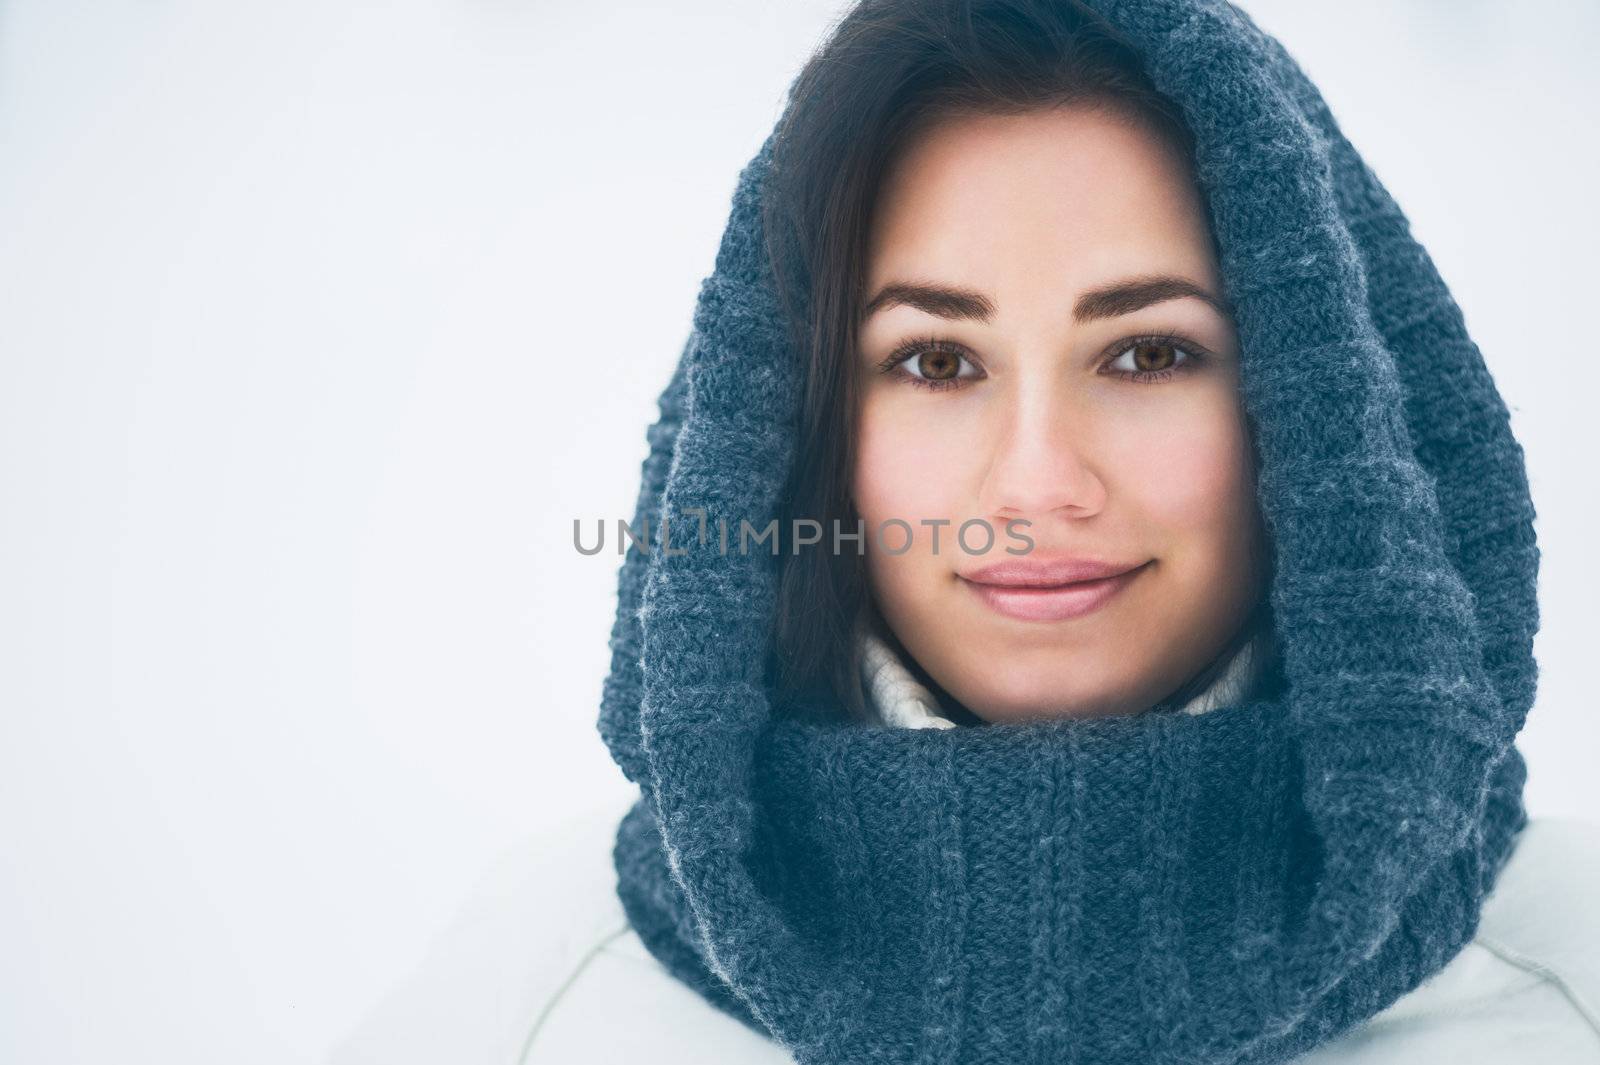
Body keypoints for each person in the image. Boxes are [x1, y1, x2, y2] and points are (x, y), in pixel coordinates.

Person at [329, 1, 1600, 1062]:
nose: (1037, 481)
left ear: (1322, 409)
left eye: (1148, 352)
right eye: (936, 361)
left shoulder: (1567, 985)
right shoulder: (542, 996)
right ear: (797, 428)